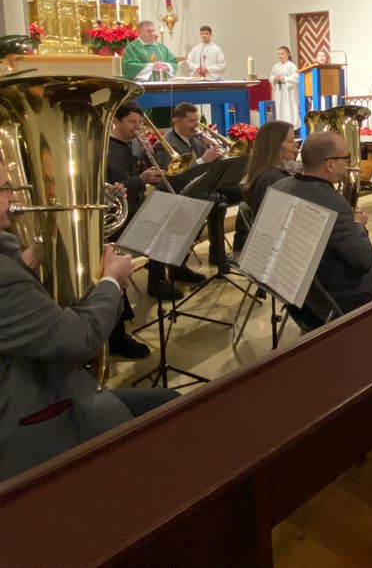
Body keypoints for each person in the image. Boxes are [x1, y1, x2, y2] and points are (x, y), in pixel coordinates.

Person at [0, 161, 178, 482]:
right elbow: (79, 341)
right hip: (29, 420)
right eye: (4, 188)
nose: (13, 197)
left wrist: (32, 255)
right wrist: (111, 280)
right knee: (176, 411)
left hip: (39, 388)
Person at [272, 131, 372, 316]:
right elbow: (364, 263)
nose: (349, 163)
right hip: (336, 297)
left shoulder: (280, 187)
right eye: (346, 158)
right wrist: (358, 225)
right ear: (330, 164)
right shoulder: (333, 202)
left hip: (299, 293)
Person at [154, 102, 245, 271]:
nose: (195, 125)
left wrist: (216, 151)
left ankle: (238, 242)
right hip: (179, 193)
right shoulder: (166, 144)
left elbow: (208, 168)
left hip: (200, 187)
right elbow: (174, 179)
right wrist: (203, 160)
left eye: (196, 120)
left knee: (244, 191)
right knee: (219, 202)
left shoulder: (194, 139)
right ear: (177, 121)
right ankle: (213, 256)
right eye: (191, 121)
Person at [105, 102, 163, 357]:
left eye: (140, 122)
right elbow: (109, 189)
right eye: (132, 122)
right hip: (114, 220)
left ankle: (157, 281)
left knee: (165, 227)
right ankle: (116, 334)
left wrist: (147, 162)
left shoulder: (133, 145)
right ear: (116, 121)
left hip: (135, 209)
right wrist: (139, 180)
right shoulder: (106, 148)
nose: (137, 128)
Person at [241, 120, 300, 217]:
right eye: (290, 141)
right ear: (275, 146)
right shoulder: (269, 178)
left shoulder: (278, 172)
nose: (296, 145)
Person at [270, 46, 300, 128]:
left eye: (282, 54)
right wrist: (275, 78)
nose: (280, 56)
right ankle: (280, 127)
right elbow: (271, 77)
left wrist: (284, 78)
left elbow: (296, 77)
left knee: (288, 109)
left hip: (288, 92)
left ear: (288, 54)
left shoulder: (292, 65)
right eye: (279, 54)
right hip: (279, 91)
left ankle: (291, 127)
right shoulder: (276, 66)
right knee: (280, 109)